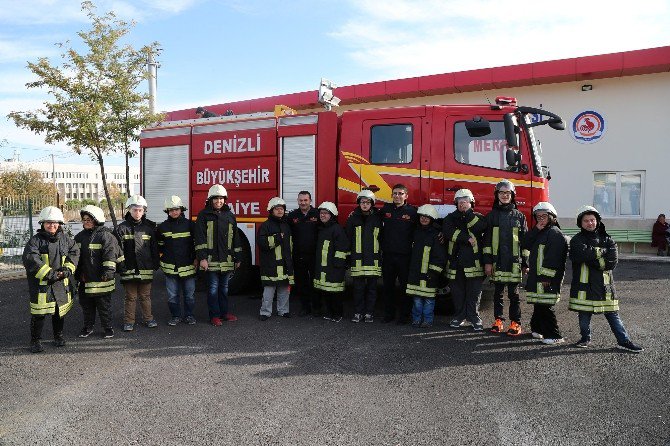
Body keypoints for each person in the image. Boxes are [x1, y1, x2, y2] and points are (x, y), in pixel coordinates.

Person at [569, 205, 644, 352]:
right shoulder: (577, 240)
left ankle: (624, 341)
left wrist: (592, 256)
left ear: (597, 221)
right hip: (584, 288)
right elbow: (580, 255)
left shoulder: (608, 239)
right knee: (584, 315)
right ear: (580, 223)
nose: (590, 223)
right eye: (586, 221)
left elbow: (612, 263)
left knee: (613, 315)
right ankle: (585, 338)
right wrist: (602, 252)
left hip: (605, 288)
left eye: (592, 220)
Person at [22, 206, 79, 353]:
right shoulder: (35, 241)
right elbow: (31, 260)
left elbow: (75, 253)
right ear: (42, 223)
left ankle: (58, 336)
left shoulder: (66, 240)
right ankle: (35, 341)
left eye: (54, 222)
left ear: (59, 223)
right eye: (48, 222)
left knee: (58, 312)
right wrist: (52, 275)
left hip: (60, 283)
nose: (51, 225)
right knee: (39, 314)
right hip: (42, 285)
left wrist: (67, 270)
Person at [483, 180, 528, 336]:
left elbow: (525, 242)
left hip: (514, 263)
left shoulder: (519, 216)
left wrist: (525, 262)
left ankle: (516, 323)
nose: (504, 196)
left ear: (512, 196)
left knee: (514, 295)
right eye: (501, 193)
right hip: (497, 262)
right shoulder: (491, 217)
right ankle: (498, 320)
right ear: (497, 195)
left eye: (507, 193)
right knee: (498, 293)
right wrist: (488, 262)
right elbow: (487, 242)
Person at [194, 184, 242, 326]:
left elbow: (236, 238)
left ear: (225, 200)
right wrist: (202, 258)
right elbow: (200, 238)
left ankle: (224, 313)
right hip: (211, 260)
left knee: (224, 289)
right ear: (210, 200)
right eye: (215, 199)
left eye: (221, 199)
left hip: (226, 261)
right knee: (213, 289)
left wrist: (238, 257)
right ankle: (214, 316)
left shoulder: (230, 216)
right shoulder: (204, 215)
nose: (218, 201)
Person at [523, 202, 568, 345]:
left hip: (546, 278)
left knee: (545, 306)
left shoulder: (555, 233)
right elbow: (524, 244)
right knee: (539, 304)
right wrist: (535, 229)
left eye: (544, 216)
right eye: (538, 217)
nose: (541, 219)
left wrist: (547, 276)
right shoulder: (541, 231)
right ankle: (537, 329)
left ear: (552, 217)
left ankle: (554, 335)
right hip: (538, 276)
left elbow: (554, 258)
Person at [443, 189, 487, 331]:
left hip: (474, 263)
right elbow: (449, 232)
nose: (462, 204)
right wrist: (466, 238)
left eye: (465, 201)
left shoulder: (478, 217)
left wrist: (468, 214)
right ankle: (459, 316)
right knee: (457, 293)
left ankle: (474, 317)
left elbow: (478, 228)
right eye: (460, 202)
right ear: (455, 203)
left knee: (474, 293)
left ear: (471, 202)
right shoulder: (450, 218)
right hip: (455, 263)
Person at [75, 205, 121, 339]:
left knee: (104, 306)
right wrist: (77, 273)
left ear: (96, 220)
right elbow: (75, 257)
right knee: (87, 306)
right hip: (85, 279)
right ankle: (88, 327)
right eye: (84, 219)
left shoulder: (106, 236)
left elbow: (110, 255)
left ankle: (107, 328)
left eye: (89, 219)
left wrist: (109, 271)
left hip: (102, 279)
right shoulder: (79, 237)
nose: (86, 222)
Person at [116, 194, 160, 332]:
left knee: (145, 296)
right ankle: (129, 321)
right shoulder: (121, 229)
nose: (137, 213)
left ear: (144, 211)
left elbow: (154, 247)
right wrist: (121, 266)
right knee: (131, 297)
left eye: (140, 210)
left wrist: (155, 262)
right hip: (128, 269)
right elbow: (117, 250)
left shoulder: (149, 228)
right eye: (135, 210)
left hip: (145, 268)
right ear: (129, 209)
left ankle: (148, 319)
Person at [157, 196, 197, 326]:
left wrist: (196, 258)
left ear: (181, 210)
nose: (174, 212)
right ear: (167, 211)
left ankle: (189, 316)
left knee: (189, 295)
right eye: (172, 210)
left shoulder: (190, 225)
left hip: (188, 265)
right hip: (170, 267)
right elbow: (160, 246)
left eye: (177, 209)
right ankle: (175, 316)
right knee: (172, 296)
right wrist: (162, 259)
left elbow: (196, 244)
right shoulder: (162, 227)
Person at [380, 184, 417, 324]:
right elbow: (370, 217)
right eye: (395, 193)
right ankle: (388, 314)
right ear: (391, 195)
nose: (397, 196)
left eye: (400, 193)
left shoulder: (412, 212)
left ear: (406, 196)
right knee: (388, 287)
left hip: (405, 256)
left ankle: (404, 316)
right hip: (388, 256)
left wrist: (439, 232)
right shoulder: (385, 210)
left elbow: (425, 224)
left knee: (405, 288)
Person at [345, 189, 382, 323]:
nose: (365, 204)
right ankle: (358, 312)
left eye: (367, 202)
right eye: (362, 202)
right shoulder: (352, 218)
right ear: (359, 203)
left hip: (373, 260)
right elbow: (348, 239)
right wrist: (348, 257)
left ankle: (369, 313)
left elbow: (383, 239)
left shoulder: (378, 218)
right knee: (358, 289)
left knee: (372, 289)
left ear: (372, 204)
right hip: (358, 260)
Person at [406, 204, 446, 328]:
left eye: (427, 217)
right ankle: (416, 319)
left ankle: (427, 321)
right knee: (417, 299)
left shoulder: (436, 235)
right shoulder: (415, 232)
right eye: (422, 216)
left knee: (429, 299)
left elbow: (440, 256)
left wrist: (434, 272)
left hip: (429, 275)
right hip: (416, 273)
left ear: (432, 219)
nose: (424, 219)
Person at [258, 197, 294, 321]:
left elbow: (289, 245)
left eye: (282, 209)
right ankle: (265, 312)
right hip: (271, 263)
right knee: (269, 290)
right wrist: (278, 237)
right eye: (277, 209)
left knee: (284, 289)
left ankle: (283, 311)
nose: (280, 211)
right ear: (271, 210)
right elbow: (262, 243)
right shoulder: (265, 226)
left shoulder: (286, 225)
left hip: (284, 263)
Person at [313, 201, 349, 322]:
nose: (322, 215)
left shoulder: (337, 229)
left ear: (332, 215)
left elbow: (342, 248)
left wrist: (338, 266)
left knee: (335, 293)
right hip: (323, 266)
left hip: (334, 268)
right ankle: (329, 312)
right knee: (326, 291)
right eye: (321, 213)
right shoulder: (321, 228)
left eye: (326, 213)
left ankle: (337, 314)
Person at [286, 191, 319, 316]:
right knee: (302, 282)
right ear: (297, 201)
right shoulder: (293, 215)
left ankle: (316, 306)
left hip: (315, 255)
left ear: (310, 201)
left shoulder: (317, 213)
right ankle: (305, 307)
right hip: (299, 255)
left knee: (315, 282)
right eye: (301, 200)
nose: (303, 203)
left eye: (305, 200)